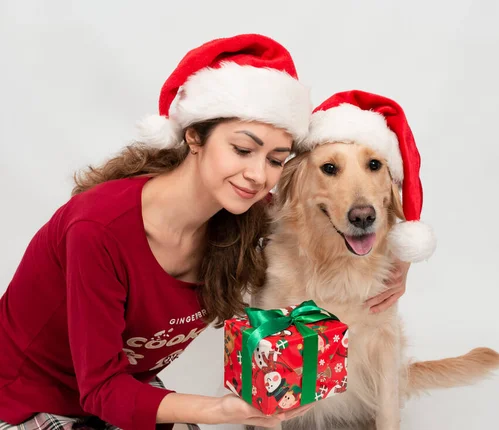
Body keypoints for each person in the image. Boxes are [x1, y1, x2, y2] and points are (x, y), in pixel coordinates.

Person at [0, 34, 410, 430]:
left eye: (274, 159)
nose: (256, 175)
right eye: (242, 149)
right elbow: (101, 389)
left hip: (125, 389)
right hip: (26, 399)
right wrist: (220, 410)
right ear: (194, 137)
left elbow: (326, 215)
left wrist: (401, 258)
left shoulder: (241, 215)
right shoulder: (96, 229)